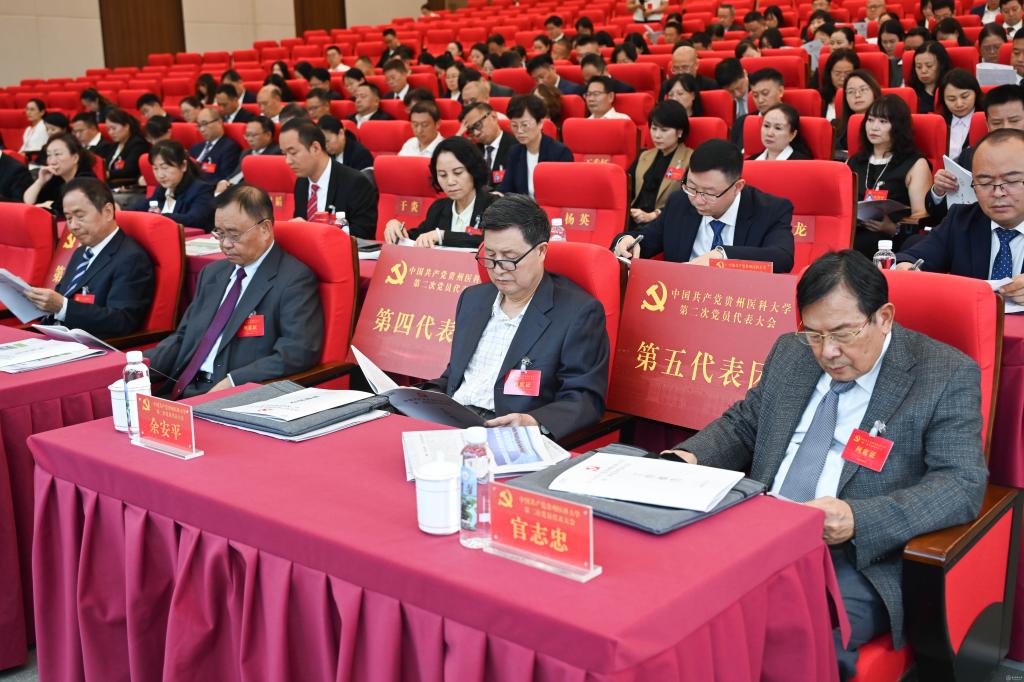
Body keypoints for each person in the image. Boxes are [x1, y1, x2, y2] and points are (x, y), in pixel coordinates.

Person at [663, 248, 986, 681]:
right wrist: (685, 458)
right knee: (677, 608)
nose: (828, 352)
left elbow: (961, 485)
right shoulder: (791, 352)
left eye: (843, 334)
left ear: (884, 317)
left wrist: (856, 518)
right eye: (814, 334)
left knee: (794, 636)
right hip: (759, 532)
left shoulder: (944, 373)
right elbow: (745, 424)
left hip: (857, 556)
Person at [428, 194, 609, 439]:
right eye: (490, 256)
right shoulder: (473, 299)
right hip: (451, 421)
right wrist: (418, 396)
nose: (497, 269)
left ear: (541, 251)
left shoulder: (578, 313)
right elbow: (455, 377)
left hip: (508, 432)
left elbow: (584, 399)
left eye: (510, 258)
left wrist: (533, 422)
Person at [146, 184, 323, 398]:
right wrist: (140, 366)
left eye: (234, 235)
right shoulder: (212, 273)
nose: (225, 245)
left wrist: (234, 381)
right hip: (184, 388)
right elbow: (184, 337)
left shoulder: (293, 279)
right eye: (219, 234)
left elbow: (297, 351)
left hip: (235, 395)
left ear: (265, 229)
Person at [613, 138, 795, 271]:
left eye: (709, 193)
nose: (698, 200)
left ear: (737, 187)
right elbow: (645, 238)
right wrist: (625, 242)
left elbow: (782, 257)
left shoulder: (771, 210)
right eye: (691, 187)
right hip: (685, 300)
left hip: (739, 303)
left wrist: (721, 256)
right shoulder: (680, 202)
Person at [23, 177, 154, 338]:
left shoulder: (131, 258)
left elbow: (121, 321)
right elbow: (63, 297)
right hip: (54, 336)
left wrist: (63, 307)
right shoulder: (81, 252)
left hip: (92, 345)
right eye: (69, 218)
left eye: (80, 216)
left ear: (108, 212)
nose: (73, 226)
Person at [897, 129, 1024, 291]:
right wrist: (905, 266)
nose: (998, 193)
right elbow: (912, 257)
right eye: (985, 183)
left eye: (1011, 181)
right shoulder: (961, 219)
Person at [846, 95, 931, 256]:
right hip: (854, 231)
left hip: (891, 238)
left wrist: (892, 228)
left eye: (883, 121)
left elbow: (920, 214)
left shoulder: (915, 163)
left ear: (898, 127)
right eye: (870, 120)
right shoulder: (854, 161)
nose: (874, 127)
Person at [928, 84, 1024, 218]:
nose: (1005, 128)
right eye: (997, 123)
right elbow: (944, 215)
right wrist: (939, 191)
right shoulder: (971, 157)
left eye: (1014, 120)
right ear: (987, 124)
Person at [383, 137, 496, 248]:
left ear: (474, 171)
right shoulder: (439, 208)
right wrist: (397, 230)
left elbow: (490, 240)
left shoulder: (494, 205)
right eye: (443, 175)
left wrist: (442, 235)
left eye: (457, 173)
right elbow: (419, 237)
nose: (450, 182)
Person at [281, 119, 378, 238]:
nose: (288, 161)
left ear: (315, 148)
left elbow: (363, 237)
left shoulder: (355, 182)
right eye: (284, 154)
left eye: (293, 153)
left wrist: (311, 231)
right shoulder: (302, 182)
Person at [628, 101, 693, 229]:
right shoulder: (644, 156)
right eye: (654, 128)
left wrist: (654, 215)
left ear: (679, 132)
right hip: (634, 219)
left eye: (664, 130)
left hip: (665, 223)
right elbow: (627, 187)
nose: (657, 135)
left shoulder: (690, 159)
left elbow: (687, 199)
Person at [498, 95, 573, 197]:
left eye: (525, 125)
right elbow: (506, 188)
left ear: (540, 123)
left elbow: (565, 192)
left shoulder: (560, 153)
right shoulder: (515, 152)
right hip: (522, 206)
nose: (519, 131)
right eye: (514, 125)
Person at [138, 140, 216, 231]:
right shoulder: (162, 188)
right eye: (155, 168)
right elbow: (140, 208)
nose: (160, 175)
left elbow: (194, 219)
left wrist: (160, 217)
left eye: (165, 168)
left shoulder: (202, 189)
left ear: (183, 166)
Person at [22, 134, 97, 216]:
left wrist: (49, 205)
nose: (52, 161)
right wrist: (40, 181)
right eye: (49, 155)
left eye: (57, 154)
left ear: (75, 158)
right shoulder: (57, 177)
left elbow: (65, 210)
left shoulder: (86, 180)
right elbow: (28, 202)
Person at [460, 102, 521, 185]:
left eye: (478, 125)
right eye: (470, 130)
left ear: (493, 117)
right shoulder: (473, 152)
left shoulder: (517, 147)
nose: (476, 133)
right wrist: (458, 136)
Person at [216, 116, 281, 191]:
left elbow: (255, 182)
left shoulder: (276, 154)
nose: (249, 139)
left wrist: (230, 188)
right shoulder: (246, 153)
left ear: (268, 135)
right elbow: (235, 175)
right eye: (247, 135)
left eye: (253, 135)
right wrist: (224, 182)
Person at [100, 108, 149, 190]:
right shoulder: (114, 145)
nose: (111, 133)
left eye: (114, 128)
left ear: (126, 127)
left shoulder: (138, 144)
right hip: (109, 184)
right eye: (108, 129)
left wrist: (108, 174)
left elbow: (129, 171)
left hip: (126, 186)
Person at [938, 68, 981, 161]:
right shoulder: (939, 123)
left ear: (976, 93)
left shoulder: (986, 120)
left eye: (965, 96)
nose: (959, 104)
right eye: (951, 99)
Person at [190, 108, 241, 184]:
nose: (202, 129)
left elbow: (223, 178)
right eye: (199, 125)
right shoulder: (195, 148)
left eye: (205, 124)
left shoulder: (229, 148)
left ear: (219, 122)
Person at [835, 70, 882, 152]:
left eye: (863, 89)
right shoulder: (835, 126)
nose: (857, 95)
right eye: (851, 91)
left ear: (874, 91)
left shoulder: (886, 124)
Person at [715, 58, 751, 146]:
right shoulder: (719, 96)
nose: (737, 94)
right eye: (730, 91)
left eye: (739, 87)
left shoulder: (758, 88)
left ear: (745, 73)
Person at [908, 42, 951, 115]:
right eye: (919, 67)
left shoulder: (951, 91)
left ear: (941, 65)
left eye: (929, 66)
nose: (923, 71)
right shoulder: (911, 93)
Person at [822, 49, 860, 121]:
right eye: (837, 73)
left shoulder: (861, 98)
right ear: (829, 74)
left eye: (847, 73)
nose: (843, 78)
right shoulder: (820, 98)